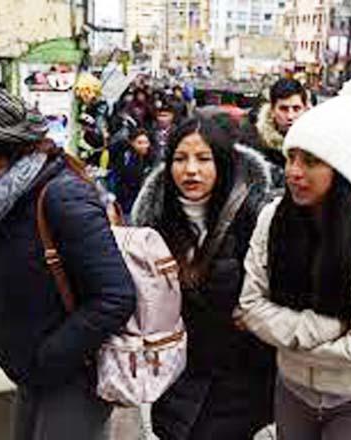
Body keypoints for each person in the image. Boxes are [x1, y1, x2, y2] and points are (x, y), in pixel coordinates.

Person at [0, 85, 137, 440]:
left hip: (72, 378)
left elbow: (116, 296)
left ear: (7, 152)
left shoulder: (61, 195)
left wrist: (46, 359)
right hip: (32, 372)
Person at [237, 76, 351, 439]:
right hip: (292, 390)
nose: (295, 172)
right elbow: (250, 306)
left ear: (342, 172)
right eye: (291, 156)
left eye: (312, 161)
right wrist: (327, 328)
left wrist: (282, 334)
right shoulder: (272, 218)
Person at [131, 115, 275, 440]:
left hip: (239, 377)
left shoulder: (253, 217)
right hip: (176, 373)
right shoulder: (153, 225)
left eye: (203, 159)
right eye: (180, 159)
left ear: (221, 163)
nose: (191, 170)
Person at [240, 78, 309, 188]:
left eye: (296, 109)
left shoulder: (315, 143)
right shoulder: (253, 143)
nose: (290, 116)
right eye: (283, 109)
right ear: (272, 110)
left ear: (305, 109)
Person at [107, 127, 154, 218]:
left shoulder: (152, 158)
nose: (143, 146)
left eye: (146, 143)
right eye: (139, 143)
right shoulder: (127, 156)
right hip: (124, 198)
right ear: (132, 143)